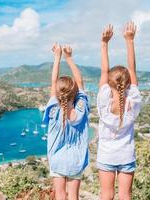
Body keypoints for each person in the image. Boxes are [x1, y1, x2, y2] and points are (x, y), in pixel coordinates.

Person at [97, 22, 142, 200]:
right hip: (126, 155)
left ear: (108, 84)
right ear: (129, 84)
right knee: (125, 195)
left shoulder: (103, 101)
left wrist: (104, 43)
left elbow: (103, 71)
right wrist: (130, 40)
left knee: (106, 195)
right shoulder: (134, 101)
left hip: (106, 155)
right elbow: (132, 70)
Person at [42, 43, 90, 200]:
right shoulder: (81, 111)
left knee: (60, 195)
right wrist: (69, 58)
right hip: (76, 159)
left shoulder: (53, 109)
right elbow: (80, 82)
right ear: (75, 93)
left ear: (57, 93)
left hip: (57, 159)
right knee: (73, 196)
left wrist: (57, 57)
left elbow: (53, 80)